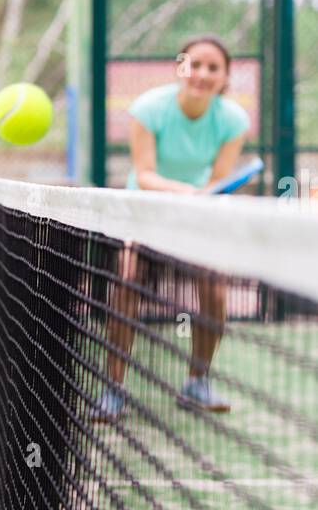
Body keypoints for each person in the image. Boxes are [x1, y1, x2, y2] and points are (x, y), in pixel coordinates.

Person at [94, 35, 250, 423]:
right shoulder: (149, 108)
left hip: (195, 215)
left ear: (225, 76)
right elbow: (144, 175)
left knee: (215, 285)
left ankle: (197, 382)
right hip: (146, 211)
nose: (202, 73)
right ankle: (113, 388)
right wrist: (186, 192)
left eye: (213, 67)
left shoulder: (233, 121)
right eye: (194, 64)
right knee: (128, 278)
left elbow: (217, 181)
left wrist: (198, 198)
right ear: (181, 68)